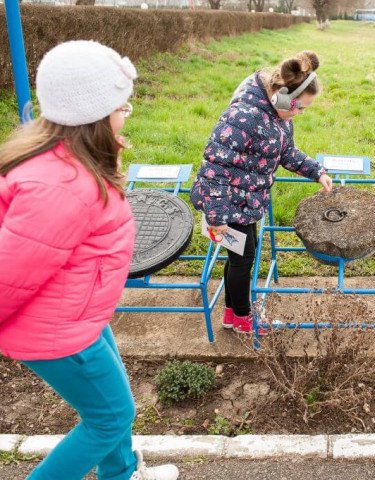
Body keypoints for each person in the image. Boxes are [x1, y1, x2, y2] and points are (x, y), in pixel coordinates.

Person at [0, 41, 178, 480]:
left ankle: (121, 474)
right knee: (111, 417)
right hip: (58, 331)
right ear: (95, 115)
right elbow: (8, 279)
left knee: (114, 404)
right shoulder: (64, 187)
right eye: (123, 106)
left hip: (78, 312)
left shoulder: (69, 160)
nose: (126, 113)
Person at [191, 50, 333, 334]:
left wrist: (317, 171)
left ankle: (232, 313)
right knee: (243, 259)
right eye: (300, 107)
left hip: (245, 201)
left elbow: (286, 152)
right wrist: (217, 215)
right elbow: (214, 167)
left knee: (238, 257)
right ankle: (245, 318)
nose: (300, 114)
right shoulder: (244, 116)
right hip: (228, 203)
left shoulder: (279, 115)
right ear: (282, 96)